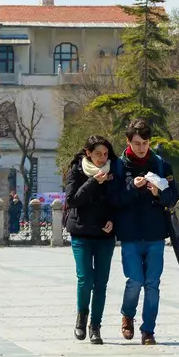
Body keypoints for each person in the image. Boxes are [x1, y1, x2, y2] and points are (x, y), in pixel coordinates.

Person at [111, 121, 179, 345]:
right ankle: (127, 314)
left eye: (146, 143)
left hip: (155, 233)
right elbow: (114, 200)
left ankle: (148, 330)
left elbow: (173, 198)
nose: (142, 148)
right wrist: (132, 187)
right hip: (130, 234)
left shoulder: (161, 165)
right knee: (135, 281)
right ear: (128, 142)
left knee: (152, 283)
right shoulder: (119, 166)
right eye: (137, 143)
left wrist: (159, 193)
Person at [65, 136, 120, 343]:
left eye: (105, 154)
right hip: (81, 233)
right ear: (88, 153)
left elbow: (118, 201)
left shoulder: (114, 170)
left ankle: (95, 326)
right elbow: (72, 200)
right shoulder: (76, 171)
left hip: (105, 235)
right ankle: (81, 318)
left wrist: (113, 220)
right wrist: (93, 181)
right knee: (85, 279)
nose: (102, 158)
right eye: (98, 154)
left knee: (101, 283)